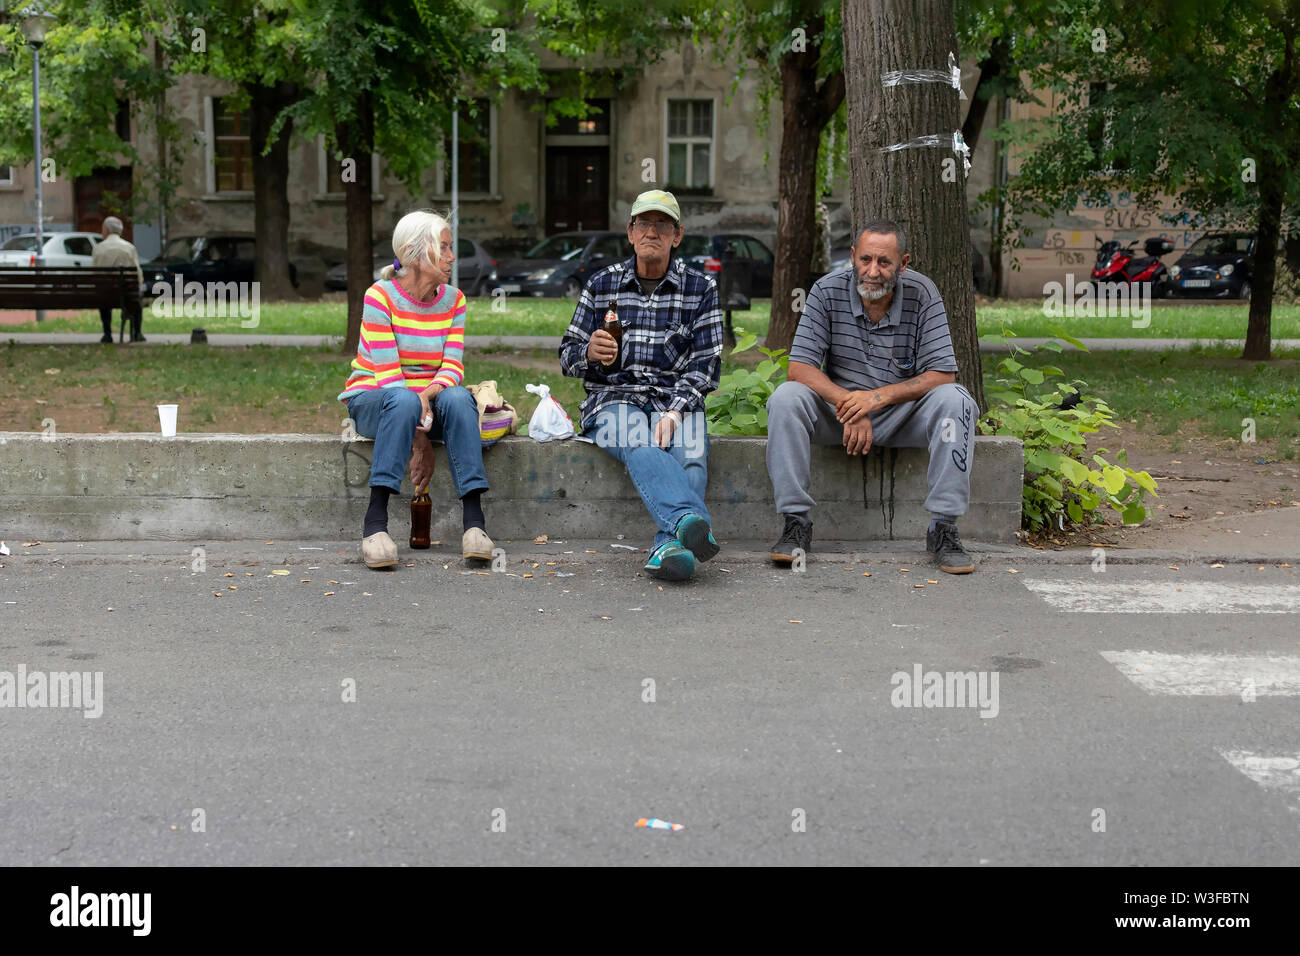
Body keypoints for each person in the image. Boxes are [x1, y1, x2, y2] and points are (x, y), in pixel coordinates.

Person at [765, 219, 980, 574]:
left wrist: (875, 399)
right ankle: (795, 523)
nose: (873, 271)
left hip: (903, 416)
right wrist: (851, 405)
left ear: (904, 263)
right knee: (786, 398)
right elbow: (800, 368)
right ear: (852, 257)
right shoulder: (826, 290)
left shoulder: (924, 293)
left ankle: (944, 528)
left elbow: (943, 374)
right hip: (841, 417)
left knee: (956, 400)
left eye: (884, 263)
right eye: (865, 260)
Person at [559, 189, 723, 581]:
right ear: (630, 232)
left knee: (693, 454)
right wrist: (589, 352)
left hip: (677, 399)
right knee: (638, 439)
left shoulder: (701, 289)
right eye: (644, 224)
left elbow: (706, 367)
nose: (652, 232)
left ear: (677, 235)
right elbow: (566, 356)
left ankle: (669, 548)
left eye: (662, 224)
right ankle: (687, 521)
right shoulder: (602, 285)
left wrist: (673, 412)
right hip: (613, 399)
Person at [338, 210, 494, 569]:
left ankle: (475, 525)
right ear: (414, 253)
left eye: (450, 248)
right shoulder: (380, 297)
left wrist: (424, 400)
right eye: (443, 248)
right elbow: (390, 377)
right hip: (374, 399)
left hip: (425, 402)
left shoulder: (454, 300)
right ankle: (375, 526)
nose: (452, 257)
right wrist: (419, 438)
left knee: (458, 397)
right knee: (403, 399)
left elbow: (452, 367)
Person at [91, 216, 144, 343]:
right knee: (136, 298)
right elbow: (137, 273)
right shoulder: (129, 248)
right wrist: (139, 286)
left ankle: (107, 333)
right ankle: (137, 332)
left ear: (107, 230)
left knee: (104, 299)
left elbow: (94, 273)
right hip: (126, 294)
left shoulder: (98, 248)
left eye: (103, 229)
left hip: (104, 295)